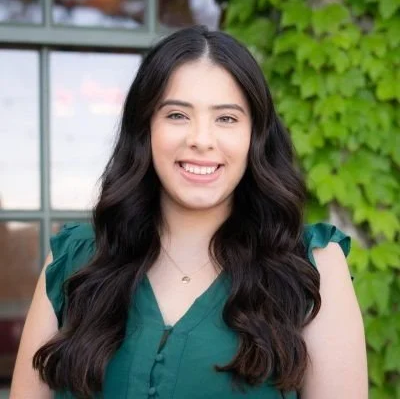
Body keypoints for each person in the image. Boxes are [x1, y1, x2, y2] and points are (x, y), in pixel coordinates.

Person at [10, 26, 368, 398]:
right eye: (177, 115)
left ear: (254, 136)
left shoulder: (312, 268)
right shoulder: (74, 263)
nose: (200, 138)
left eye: (226, 118)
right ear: (145, 128)